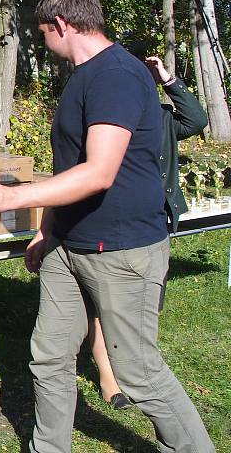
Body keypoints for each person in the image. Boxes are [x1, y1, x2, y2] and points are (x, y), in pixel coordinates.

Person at [0, 0, 215, 453]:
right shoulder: (84, 75)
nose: (43, 43)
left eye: (43, 33)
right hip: (68, 246)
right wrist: (47, 230)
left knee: (137, 372)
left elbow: (99, 173)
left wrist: (11, 197)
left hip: (121, 251)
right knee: (49, 356)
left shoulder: (116, 75)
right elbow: (71, 167)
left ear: (61, 25)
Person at [88, 54, 208, 409]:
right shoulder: (105, 113)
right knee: (103, 305)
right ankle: (109, 379)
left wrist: (167, 79)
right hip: (112, 225)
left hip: (154, 226)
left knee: (145, 304)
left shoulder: (163, 117)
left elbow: (197, 119)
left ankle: (138, 367)